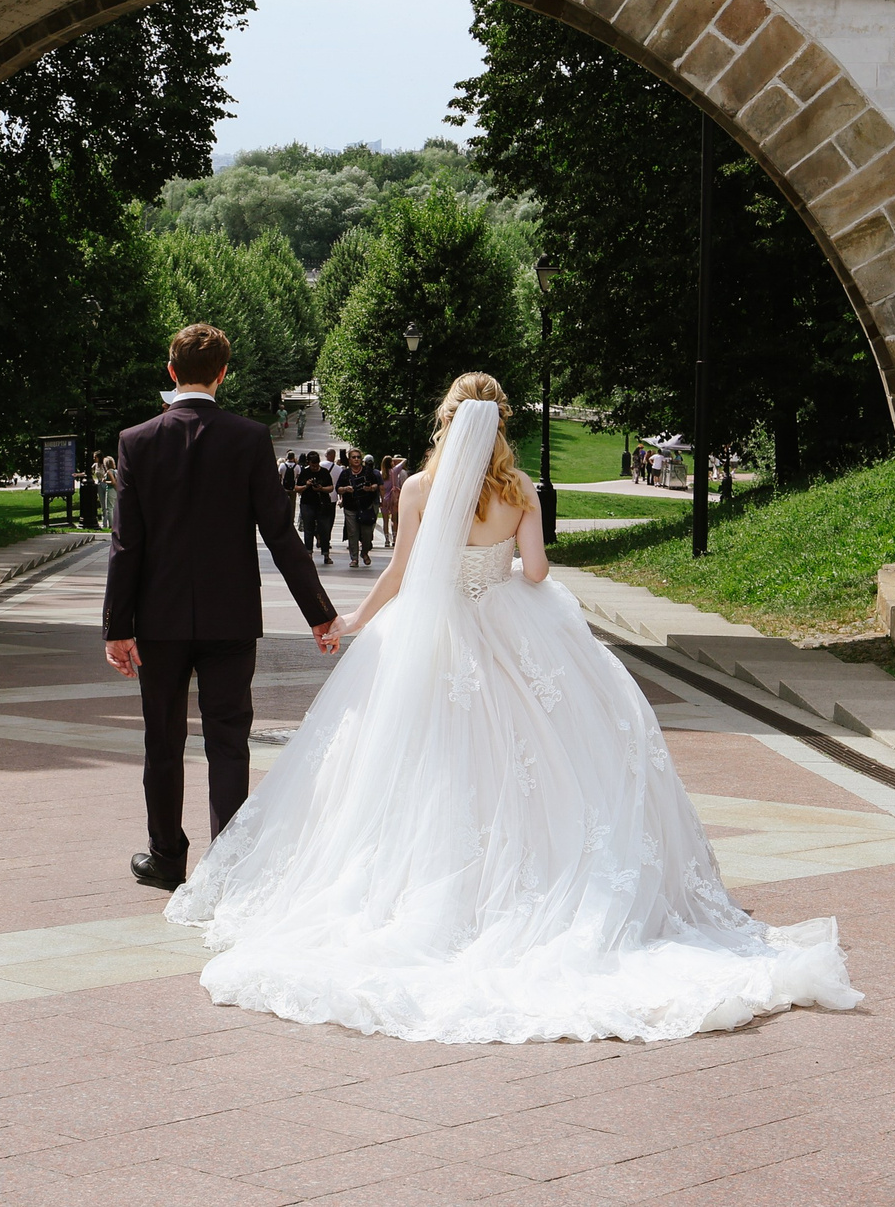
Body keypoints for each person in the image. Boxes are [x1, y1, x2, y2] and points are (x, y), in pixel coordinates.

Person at [168, 374, 858, 1043]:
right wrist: (502, 558)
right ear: (500, 425)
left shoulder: (417, 488)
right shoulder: (518, 487)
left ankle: (432, 891)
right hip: (509, 632)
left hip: (431, 641)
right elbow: (535, 572)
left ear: (445, 421)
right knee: (541, 760)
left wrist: (351, 618)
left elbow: (403, 570)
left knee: (419, 767)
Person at [105, 324, 339, 893]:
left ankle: (166, 857)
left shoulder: (136, 441)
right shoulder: (248, 438)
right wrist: (319, 612)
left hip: (157, 623)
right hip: (230, 618)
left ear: (170, 371)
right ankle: (228, 865)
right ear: (224, 374)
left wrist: (118, 626)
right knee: (228, 740)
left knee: (162, 739)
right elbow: (281, 534)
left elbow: (126, 544)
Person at [338, 448, 382, 566]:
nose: (356, 459)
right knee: (353, 533)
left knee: (367, 534)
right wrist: (346, 489)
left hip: (366, 507)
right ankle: (354, 558)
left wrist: (371, 488)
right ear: (349, 459)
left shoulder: (368, 471)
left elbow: (376, 485)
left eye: (358, 457)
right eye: (354, 457)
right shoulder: (345, 473)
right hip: (350, 507)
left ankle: (365, 552)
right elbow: (338, 488)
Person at [297, 450, 337, 562]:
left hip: (322, 504)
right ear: (308, 463)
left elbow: (331, 487)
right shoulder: (305, 472)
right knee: (308, 529)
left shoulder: (324, 472)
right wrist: (306, 485)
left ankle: (326, 554)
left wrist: (321, 489)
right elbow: (297, 488)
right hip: (307, 503)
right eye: (312, 465)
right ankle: (308, 553)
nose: (314, 468)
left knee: (324, 529)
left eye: (316, 465)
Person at [379, 454, 406, 549]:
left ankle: (386, 540)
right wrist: (394, 458)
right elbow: (404, 460)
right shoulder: (394, 471)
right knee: (394, 520)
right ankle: (394, 539)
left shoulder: (380, 473)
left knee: (385, 521)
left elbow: (380, 488)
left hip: (384, 499)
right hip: (393, 499)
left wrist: (381, 499)